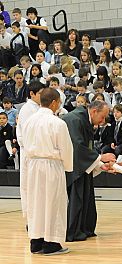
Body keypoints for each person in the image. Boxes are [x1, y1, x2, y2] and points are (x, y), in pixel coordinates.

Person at [22, 88, 73, 255]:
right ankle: (51, 243)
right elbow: (66, 148)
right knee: (53, 203)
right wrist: (67, 167)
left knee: (36, 203)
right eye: (58, 102)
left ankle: (36, 241)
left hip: (32, 166)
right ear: (53, 103)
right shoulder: (57, 123)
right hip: (51, 165)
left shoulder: (30, 121)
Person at [62, 100, 116, 242]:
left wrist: (99, 164)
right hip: (74, 166)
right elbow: (77, 147)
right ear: (93, 111)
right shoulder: (75, 119)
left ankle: (84, 228)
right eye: (102, 117)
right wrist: (100, 157)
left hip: (82, 165)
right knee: (77, 197)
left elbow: (87, 147)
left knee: (85, 196)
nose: (103, 121)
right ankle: (73, 231)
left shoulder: (84, 120)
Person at [16, 81, 45, 221]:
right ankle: (29, 217)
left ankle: (36, 216)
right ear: (32, 94)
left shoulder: (39, 108)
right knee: (28, 185)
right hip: (29, 152)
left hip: (37, 152)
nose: (42, 96)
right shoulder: (28, 109)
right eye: (40, 94)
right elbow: (26, 133)